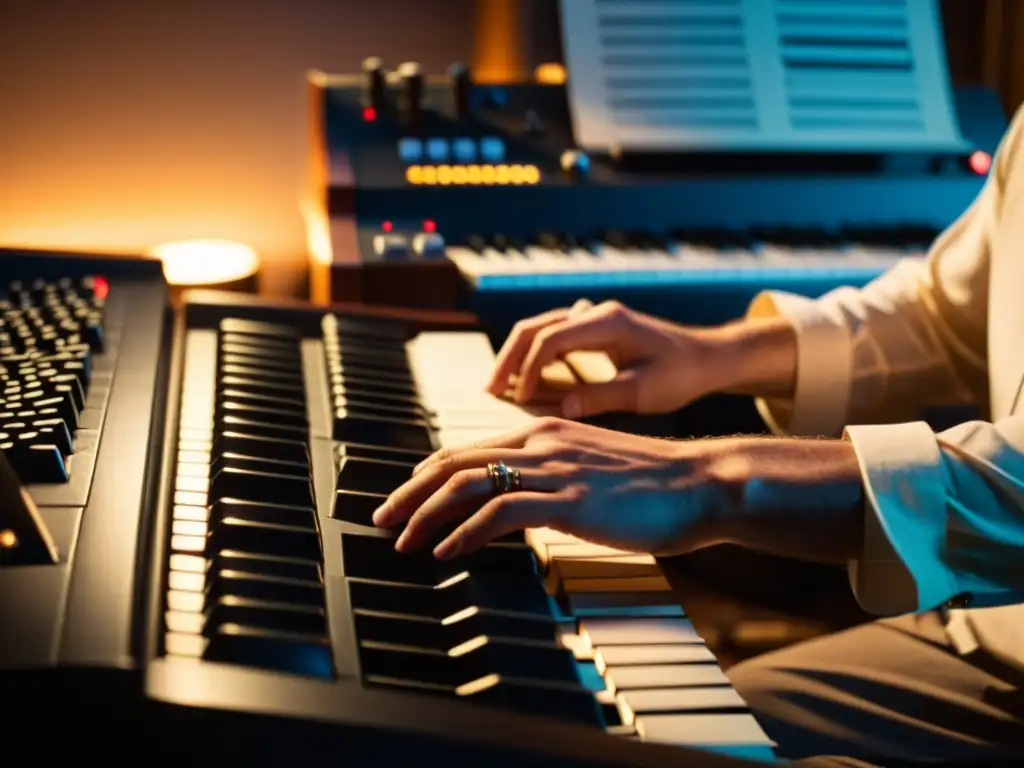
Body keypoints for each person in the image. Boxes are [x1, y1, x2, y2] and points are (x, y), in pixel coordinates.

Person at [372, 103, 1024, 766]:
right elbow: (947, 314)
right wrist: (714, 354)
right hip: (995, 633)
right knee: (624, 735)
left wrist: (706, 478)